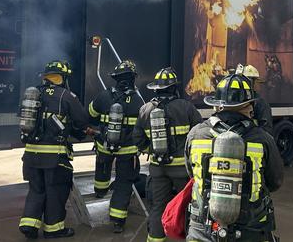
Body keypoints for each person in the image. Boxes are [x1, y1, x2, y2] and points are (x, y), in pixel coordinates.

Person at [185, 73, 284, 242]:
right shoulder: (262, 139)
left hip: (202, 229)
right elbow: (275, 181)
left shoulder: (196, 134)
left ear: (217, 105)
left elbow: (191, 173)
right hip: (251, 230)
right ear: (248, 105)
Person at [19, 60, 88, 239]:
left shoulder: (33, 95)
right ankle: (54, 229)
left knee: (36, 190)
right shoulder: (67, 96)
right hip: (54, 158)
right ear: (62, 78)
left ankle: (29, 225)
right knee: (55, 192)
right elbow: (81, 122)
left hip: (31, 156)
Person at [134, 67, 203, 242]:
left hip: (158, 169)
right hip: (182, 170)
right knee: (188, 205)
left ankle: (155, 239)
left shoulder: (145, 110)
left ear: (156, 89)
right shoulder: (187, 107)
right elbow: (200, 135)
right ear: (173, 88)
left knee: (158, 206)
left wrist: (152, 150)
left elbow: (137, 139)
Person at [88, 60, 143, 233]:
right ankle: (118, 221)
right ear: (132, 79)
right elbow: (142, 127)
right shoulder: (137, 100)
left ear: (116, 79)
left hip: (105, 145)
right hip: (127, 151)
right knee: (123, 183)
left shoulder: (104, 96)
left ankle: (100, 190)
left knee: (102, 166)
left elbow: (90, 114)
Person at [237, 64, 274, 135]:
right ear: (251, 82)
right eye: (257, 81)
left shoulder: (230, 100)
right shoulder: (259, 102)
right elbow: (267, 131)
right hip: (252, 140)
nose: (259, 85)